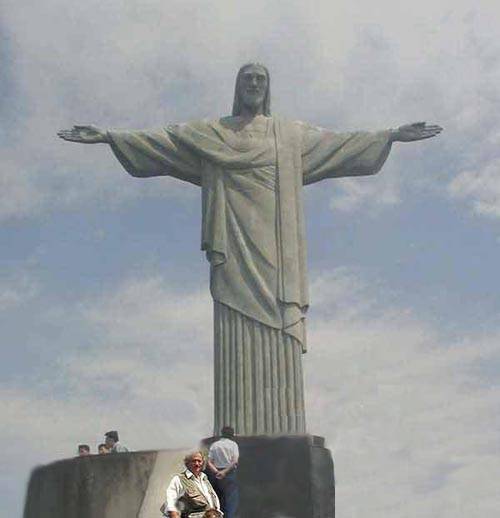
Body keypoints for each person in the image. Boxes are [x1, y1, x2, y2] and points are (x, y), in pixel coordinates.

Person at [58, 64, 442, 436]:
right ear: (237, 87)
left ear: (268, 87)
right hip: (233, 245)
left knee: (278, 317)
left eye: (261, 78)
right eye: (247, 78)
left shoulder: (289, 135)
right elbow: (166, 141)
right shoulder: (212, 134)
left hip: (277, 246)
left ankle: (284, 428)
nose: (254, 84)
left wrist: (389, 135)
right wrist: (110, 136)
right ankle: (234, 429)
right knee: (234, 320)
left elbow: (340, 144)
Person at [162, 451, 221, 518]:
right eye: (194, 461)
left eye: (199, 461)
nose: (197, 464)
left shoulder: (204, 479)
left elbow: (214, 501)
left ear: (203, 463)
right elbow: (171, 503)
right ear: (187, 463)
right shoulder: (179, 479)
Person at [207, 426, 239, 518]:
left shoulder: (215, 445)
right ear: (232, 434)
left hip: (216, 474)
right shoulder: (233, 445)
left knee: (218, 498)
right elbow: (235, 461)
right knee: (231, 499)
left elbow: (209, 461)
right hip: (229, 473)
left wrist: (217, 472)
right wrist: (224, 472)